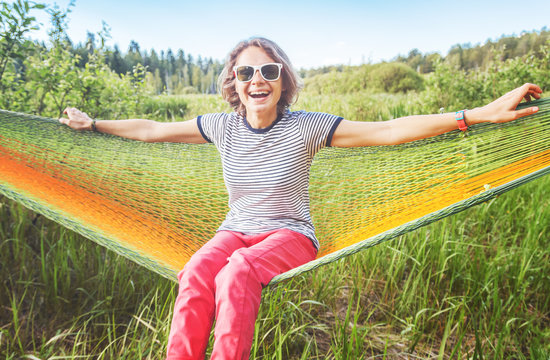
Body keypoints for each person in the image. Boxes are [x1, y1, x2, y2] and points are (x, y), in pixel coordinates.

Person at [60, 37, 542, 360]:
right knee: (195, 272)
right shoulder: (221, 126)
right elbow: (150, 129)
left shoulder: (307, 126)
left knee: (239, 271)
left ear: (283, 79)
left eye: (268, 70)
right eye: (246, 71)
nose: (257, 79)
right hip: (234, 229)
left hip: (291, 235)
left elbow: (390, 129)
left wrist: (477, 114)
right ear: (234, 82)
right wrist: (94, 124)